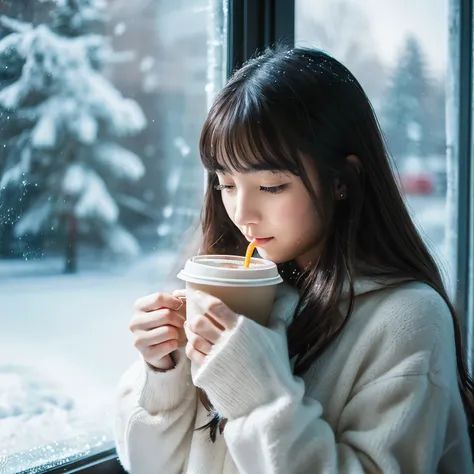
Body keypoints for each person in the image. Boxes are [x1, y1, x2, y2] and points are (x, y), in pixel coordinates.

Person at [113, 46, 474, 474]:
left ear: (343, 180)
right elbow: (148, 466)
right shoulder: (245, 289)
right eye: (226, 184)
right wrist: (163, 371)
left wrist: (257, 394)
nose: (242, 214)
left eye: (271, 187)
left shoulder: (407, 319)